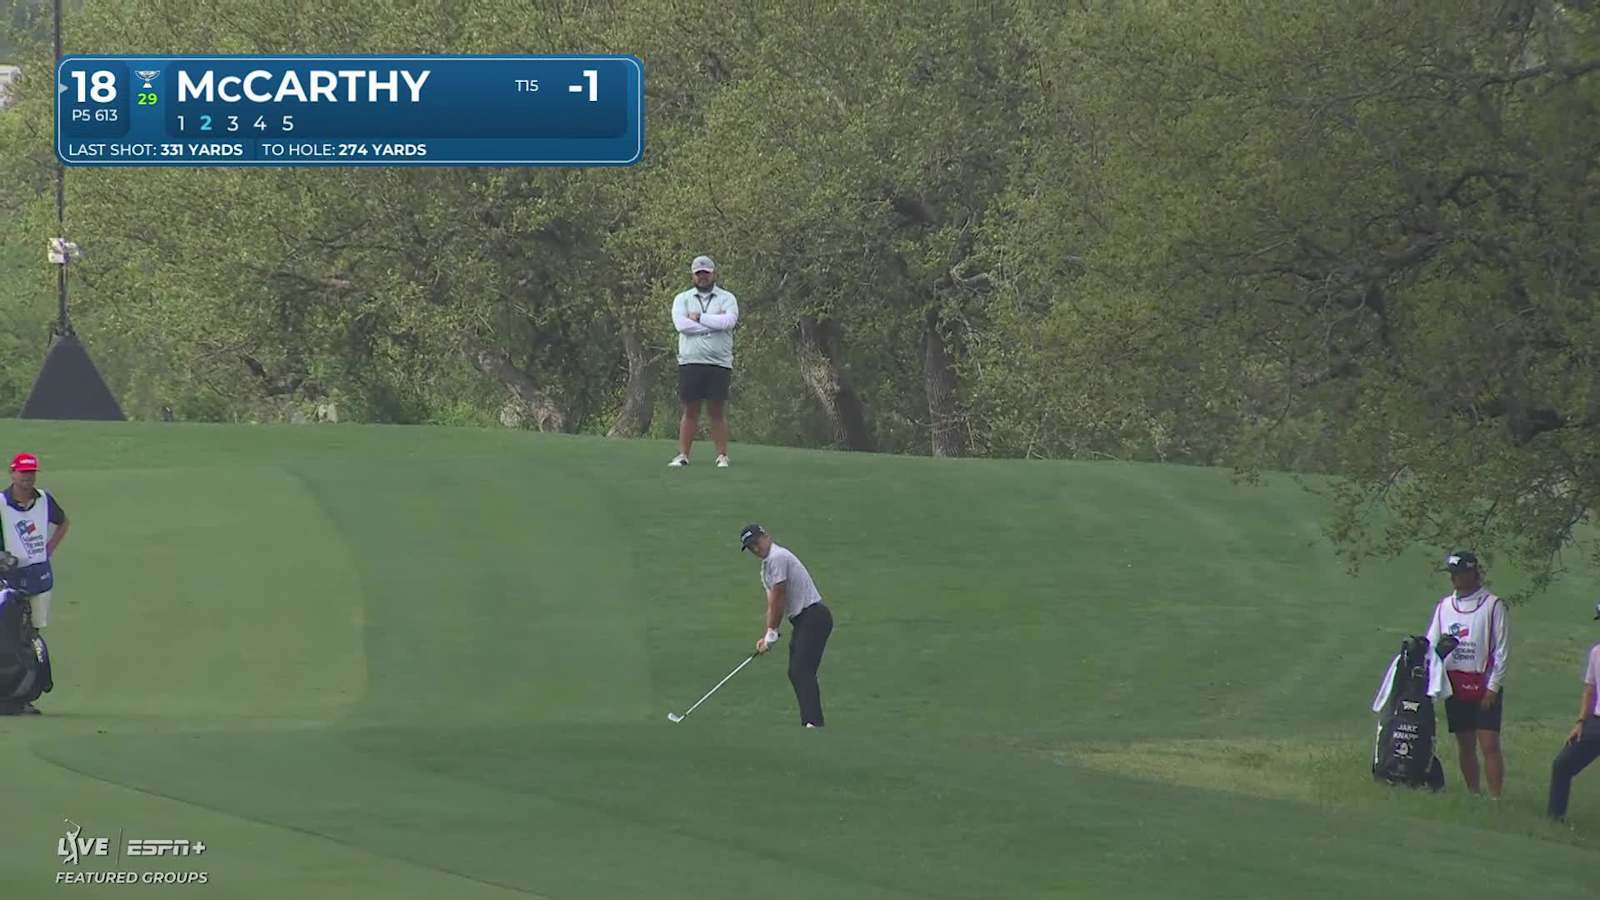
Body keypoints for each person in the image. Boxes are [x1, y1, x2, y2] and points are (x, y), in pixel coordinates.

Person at [1425, 551, 1509, 797]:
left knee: (1489, 743)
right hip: (1455, 683)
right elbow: (1432, 643)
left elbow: (1501, 649)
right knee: (1465, 743)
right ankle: (1474, 793)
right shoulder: (1444, 606)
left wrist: (1494, 686)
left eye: (1460, 574)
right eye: (1452, 574)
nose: (1455, 579)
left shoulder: (1493, 605)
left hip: (1484, 681)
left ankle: (1495, 797)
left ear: (1473, 573)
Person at [740, 523, 833, 727]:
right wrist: (768, 634)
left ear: (766, 536)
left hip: (814, 616)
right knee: (797, 671)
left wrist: (772, 632)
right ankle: (811, 722)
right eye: (751, 547)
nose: (756, 549)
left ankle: (813, 724)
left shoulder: (778, 557)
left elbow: (779, 594)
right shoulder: (766, 569)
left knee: (801, 670)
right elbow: (773, 603)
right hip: (803, 621)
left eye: (756, 543)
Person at [0, 452, 68, 714]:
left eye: (31, 472)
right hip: (9, 577)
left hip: (40, 575)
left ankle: (24, 693)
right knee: (9, 633)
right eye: (23, 472)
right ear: (12, 473)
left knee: (32, 634)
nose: (27, 477)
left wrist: (49, 549)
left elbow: (63, 523)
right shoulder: (1, 503)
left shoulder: (44, 499)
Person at [669, 256, 739, 468]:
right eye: (698, 273)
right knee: (690, 409)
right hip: (691, 361)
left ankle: (722, 455)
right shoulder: (682, 298)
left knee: (716, 410)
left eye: (706, 273)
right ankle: (683, 455)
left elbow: (728, 321)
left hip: (719, 362)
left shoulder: (727, 298)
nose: (702, 277)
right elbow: (682, 325)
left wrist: (699, 318)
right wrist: (713, 322)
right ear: (693, 275)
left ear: (713, 274)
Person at [1547, 601, 1600, 822]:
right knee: (1562, 765)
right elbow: (1590, 688)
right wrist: (1580, 722)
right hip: (1596, 723)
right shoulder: (1597, 652)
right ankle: (1554, 818)